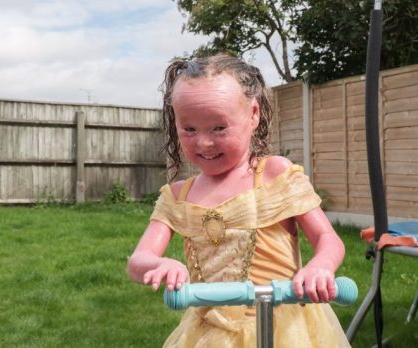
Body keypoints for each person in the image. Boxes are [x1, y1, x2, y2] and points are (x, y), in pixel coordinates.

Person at [127, 54, 350, 347]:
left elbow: (328, 238)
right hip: (209, 332)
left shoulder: (275, 176)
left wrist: (320, 266)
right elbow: (137, 260)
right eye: (189, 129)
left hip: (284, 328)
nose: (204, 142)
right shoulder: (178, 196)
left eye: (219, 128)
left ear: (253, 114)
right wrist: (158, 264)